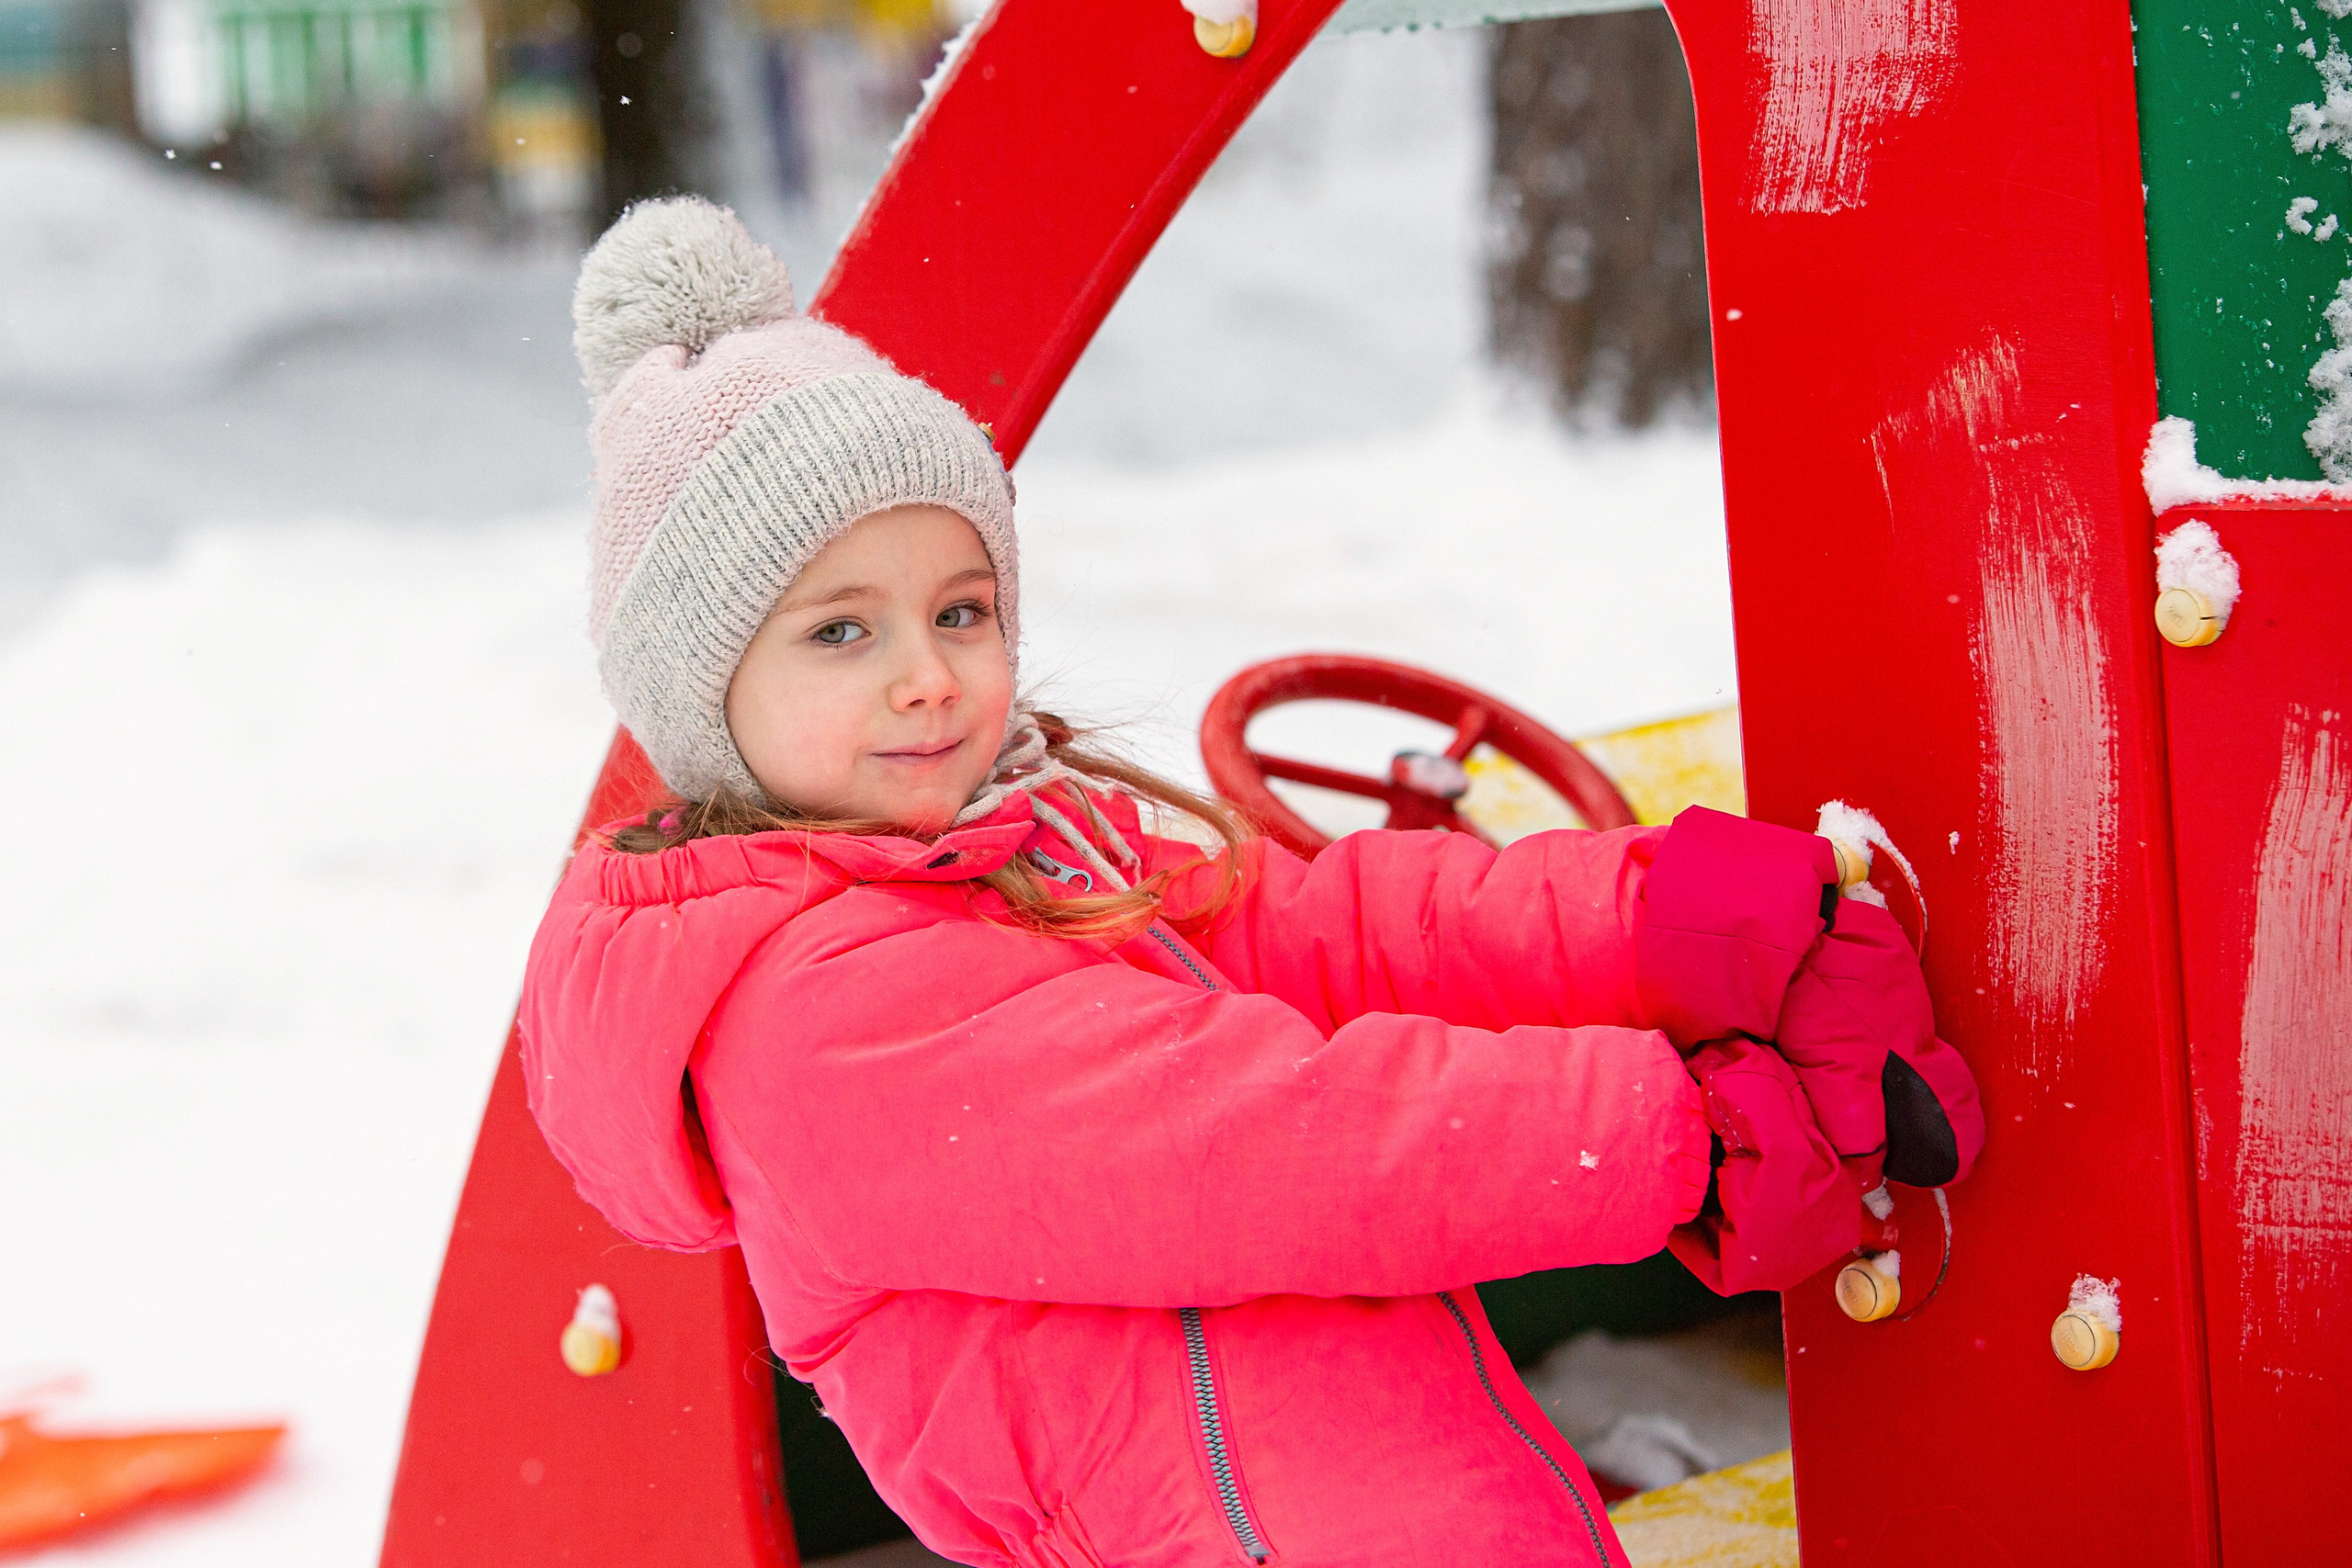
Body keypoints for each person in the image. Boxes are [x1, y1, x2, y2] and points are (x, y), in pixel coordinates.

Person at [522, 197, 1983, 1567]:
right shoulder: (817, 1020)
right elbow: (1266, 1140)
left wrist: (1673, 919)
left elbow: (1334, 927)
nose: (927, 675)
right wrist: (1687, 1139)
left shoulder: (1038, 848)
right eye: (841, 633)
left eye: (960, 609)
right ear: (706, 698)